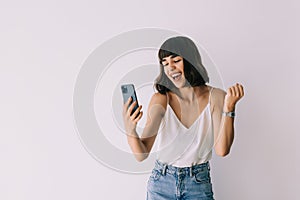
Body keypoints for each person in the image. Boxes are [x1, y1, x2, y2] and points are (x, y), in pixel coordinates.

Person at [122, 36, 244, 200]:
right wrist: (130, 129)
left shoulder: (216, 97)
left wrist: (229, 109)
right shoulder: (161, 99)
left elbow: (222, 150)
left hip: (198, 183)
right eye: (165, 63)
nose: (170, 67)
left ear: (191, 61)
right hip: (161, 183)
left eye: (176, 60)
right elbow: (141, 154)